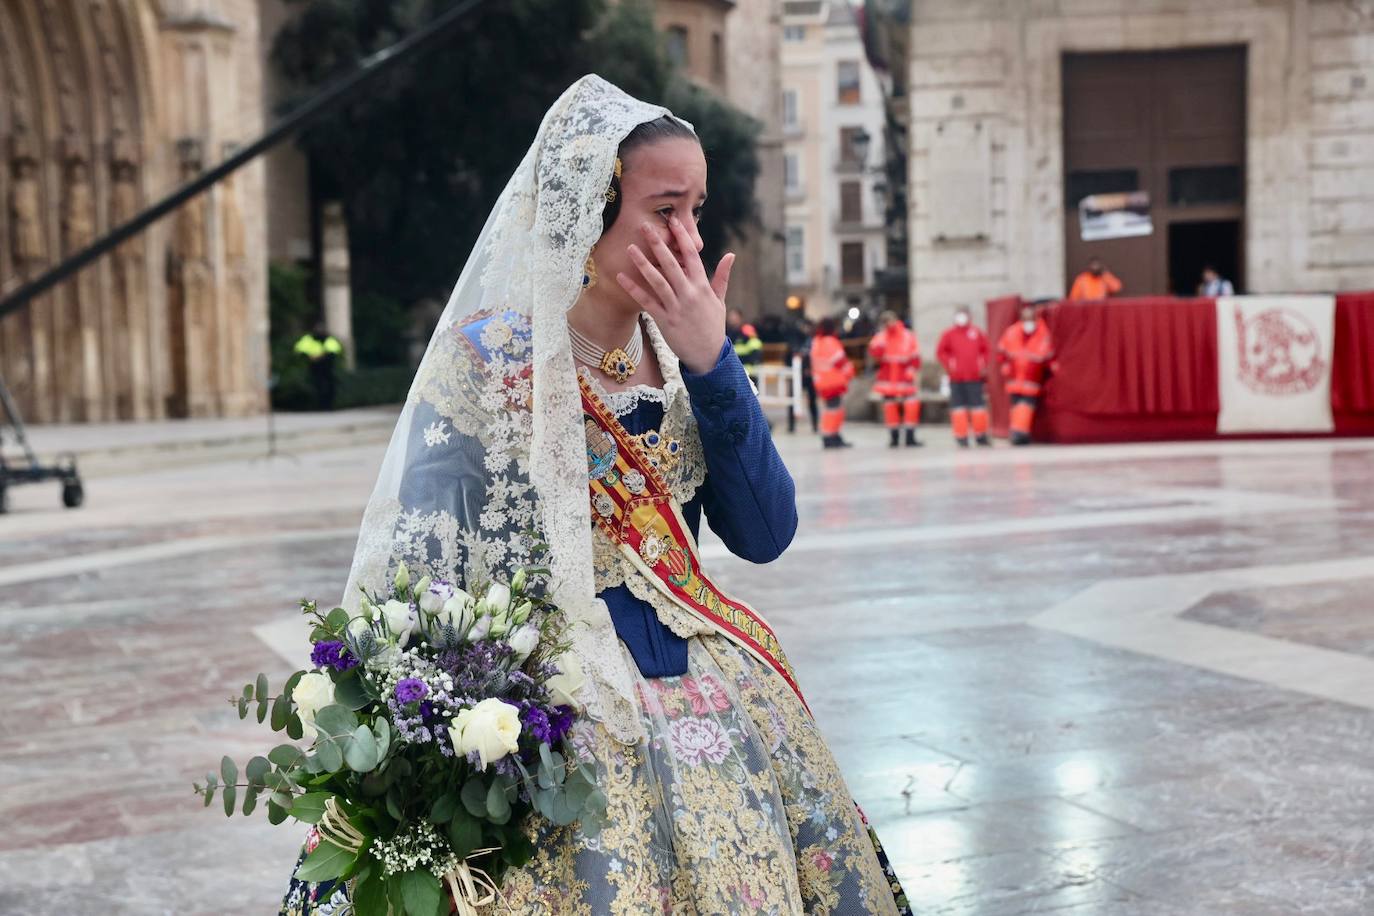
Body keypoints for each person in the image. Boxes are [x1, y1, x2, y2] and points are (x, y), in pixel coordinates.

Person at [280, 76, 909, 915]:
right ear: (588, 211)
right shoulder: (487, 363)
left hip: (702, 680)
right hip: (545, 703)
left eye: (697, 211)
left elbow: (764, 533)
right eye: (664, 210)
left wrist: (713, 365)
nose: (688, 238)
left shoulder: (691, 359)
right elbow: (427, 570)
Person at [997, 304, 1057, 446]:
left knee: (1026, 407)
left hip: (1031, 379)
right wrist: (1004, 365)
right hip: (1014, 379)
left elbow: (1048, 356)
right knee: (1016, 407)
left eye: (1030, 318)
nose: (1028, 321)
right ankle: (1017, 433)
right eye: (1025, 318)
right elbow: (1001, 351)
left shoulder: (1043, 334)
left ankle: (1019, 435)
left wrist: (1053, 368)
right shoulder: (1012, 332)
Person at [936, 306, 991, 447]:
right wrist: (950, 364)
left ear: (969, 316)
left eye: (964, 315)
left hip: (974, 377)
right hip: (956, 378)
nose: (962, 318)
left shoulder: (976, 332)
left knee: (978, 408)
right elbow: (941, 352)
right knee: (958, 408)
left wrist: (982, 365)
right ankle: (961, 436)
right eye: (959, 315)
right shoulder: (949, 334)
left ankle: (981, 435)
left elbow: (986, 350)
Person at [867, 310, 922, 447]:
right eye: (885, 322)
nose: (888, 324)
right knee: (890, 408)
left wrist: (912, 370)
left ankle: (910, 436)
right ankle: (894, 437)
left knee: (911, 406)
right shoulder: (881, 336)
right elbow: (874, 353)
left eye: (889, 321)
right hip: (888, 377)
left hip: (904, 376)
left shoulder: (907, 335)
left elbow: (915, 356)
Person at [811, 316, 856, 449]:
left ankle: (832, 435)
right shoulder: (830, 341)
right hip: (833, 380)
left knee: (831, 409)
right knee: (834, 409)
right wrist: (849, 371)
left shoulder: (816, 342)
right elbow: (839, 360)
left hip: (821, 381)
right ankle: (831, 436)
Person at [292, 320, 343, 410]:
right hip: (313, 368)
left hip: (327, 368)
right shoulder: (308, 339)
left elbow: (335, 351)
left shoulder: (329, 339)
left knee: (329, 387)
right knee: (317, 387)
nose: (319, 331)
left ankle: (328, 406)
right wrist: (309, 356)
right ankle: (319, 406)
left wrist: (321, 356)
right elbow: (298, 350)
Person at [727, 306, 764, 381]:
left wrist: (753, 361)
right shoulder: (728, 331)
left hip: (747, 370)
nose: (731, 318)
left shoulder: (747, 330)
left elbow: (755, 345)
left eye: (734, 316)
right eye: (730, 316)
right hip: (733, 370)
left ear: (740, 317)